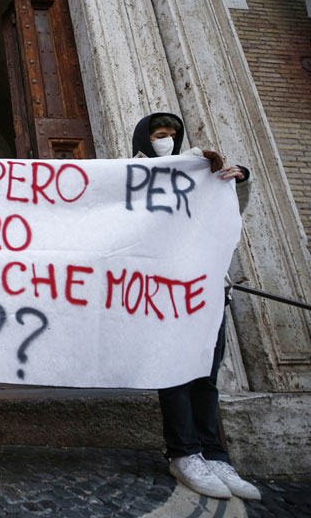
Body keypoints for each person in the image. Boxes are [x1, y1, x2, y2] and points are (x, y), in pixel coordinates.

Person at [132, 112, 260, 501]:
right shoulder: (131, 177)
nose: (167, 141)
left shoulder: (200, 173)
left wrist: (238, 181)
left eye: (173, 135)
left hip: (205, 292)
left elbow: (229, 215)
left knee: (206, 375)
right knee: (174, 374)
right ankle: (183, 453)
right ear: (145, 138)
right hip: (161, 293)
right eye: (159, 134)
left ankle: (215, 455)